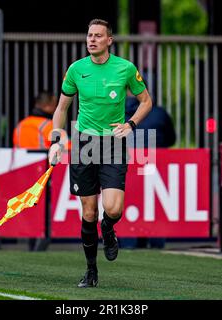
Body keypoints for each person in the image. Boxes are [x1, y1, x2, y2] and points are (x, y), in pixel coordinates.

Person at [48, 19, 152, 288]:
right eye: (89, 35)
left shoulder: (125, 68)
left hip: (113, 143)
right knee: (88, 212)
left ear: (109, 40)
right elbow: (61, 109)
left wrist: (131, 124)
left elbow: (146, 101)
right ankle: (91, 271)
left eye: (98, 36)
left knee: (113, 208)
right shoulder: (75, 70)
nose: (92, 39)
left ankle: (109, 228)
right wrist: (57, 140)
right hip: (84, 143)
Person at [122, 93, 176, 249]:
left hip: (128, 169)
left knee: (128, 204)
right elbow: (171, 139)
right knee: (155, 206)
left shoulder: (116, 113)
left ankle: (128, 243)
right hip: (155, 169)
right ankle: (156, 243)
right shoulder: (159, 113)